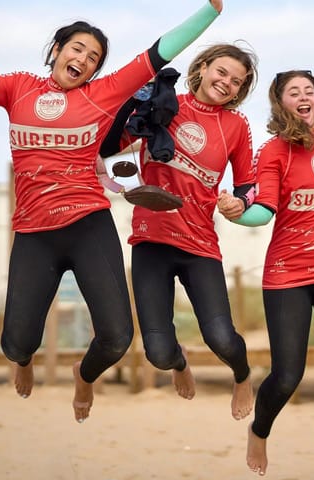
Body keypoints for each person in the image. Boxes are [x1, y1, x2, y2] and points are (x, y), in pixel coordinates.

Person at [0, 1, 225, 422]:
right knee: (15, 344)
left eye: (93, 57)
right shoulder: (18, 86)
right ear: (57, 49)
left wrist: (210, 11)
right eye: (76, 48)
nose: (82, 59)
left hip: (88, 224)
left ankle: (84, 375)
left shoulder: (103, 94)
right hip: (34, 232)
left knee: (117, 338)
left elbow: (159, 52)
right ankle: (25, 359)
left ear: (96, 71)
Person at [100, 43, 258, 420]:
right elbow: (112, 148)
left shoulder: (236, 126)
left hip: (200, 244)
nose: (226, 83)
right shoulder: (164, 103)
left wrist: (240, 203)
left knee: (221, 338)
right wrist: (131, 183)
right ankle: (180, 363)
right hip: (150, 239)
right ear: (202, 68)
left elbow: (248, 185)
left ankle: (243, 375)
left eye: (236, 81)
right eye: (221, 72)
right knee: (157, 353)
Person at [220, 70, 314, 475]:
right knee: (287, 377)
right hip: (288, 276)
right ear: (280, 104)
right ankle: (260, 430)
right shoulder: (274, 152)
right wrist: (235, 213)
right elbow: (263, 210)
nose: (303, 97)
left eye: (309, 90)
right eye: (293, 92)